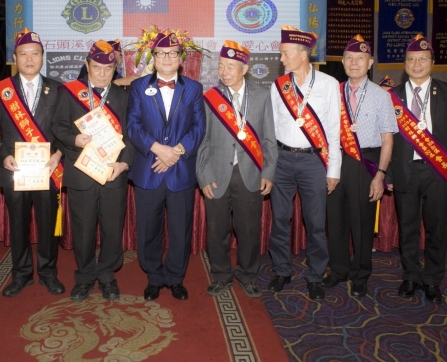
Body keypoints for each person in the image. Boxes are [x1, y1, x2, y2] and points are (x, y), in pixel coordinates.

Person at [0, 29, 65, 297]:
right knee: (17, 225)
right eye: (23, 54)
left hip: (47, 170)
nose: (29, 59)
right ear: (15, 57)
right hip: (14, 170)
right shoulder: (1, 89)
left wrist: (58, 154)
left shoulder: (58, 89)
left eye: (35, 54)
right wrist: (1, 155)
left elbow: (64, 129)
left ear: (43, 57)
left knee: (47, 225)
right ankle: (21, 275)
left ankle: (48, 273)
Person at [127, 30, 206, 301]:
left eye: (172, 53)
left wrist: (177, 151)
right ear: (153, 57)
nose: (167, 58)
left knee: (180, 229)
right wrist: (158, 149)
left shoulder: (193, 88)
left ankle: (175, 278)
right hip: (148, 169)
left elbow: (199, 127)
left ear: (181, 57)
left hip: (180, 170)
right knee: (148, 228)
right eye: (161, 54)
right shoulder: (138, 87)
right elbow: (133, 125)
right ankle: (154, 277)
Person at [52, 40, 133, 302]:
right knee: (83, 229)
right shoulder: (69, 92)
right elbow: (58, 126)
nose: (101, 73)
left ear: (115, 68)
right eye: (96, 67)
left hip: (112, 173)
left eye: (108, 68)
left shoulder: (124, 96)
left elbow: (131, 135)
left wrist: (124, 163)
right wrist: (73, 140)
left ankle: (107, 275)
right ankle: (85, 276)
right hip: (82, 173)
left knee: (112, 227)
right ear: (87, 66)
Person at [387, 34, 447, 304]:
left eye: (422, 59)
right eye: (411, 59)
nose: (417, 64)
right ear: (405, 64)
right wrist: (388, 173)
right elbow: (388, 139)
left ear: (432, 62)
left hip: (438, 172)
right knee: (407, 228)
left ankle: (432, 278)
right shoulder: (393, 96)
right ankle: (410, 276)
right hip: (405, 171)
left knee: (436, 228)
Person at [196, 41, 277, 298]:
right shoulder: (211, 98)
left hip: (250, 174)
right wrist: (204, 176)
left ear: (244, 69)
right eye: (221, 66)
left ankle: (248, 275)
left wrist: (268, 172)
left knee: (249, 230)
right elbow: (203, 141)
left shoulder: (262, 95)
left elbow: (269, 139)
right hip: (217, 175)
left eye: (231, 67)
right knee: (216, 230)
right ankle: (221, 275)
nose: (224, 71)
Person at [268, 26, 341, 301]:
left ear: (302, 54)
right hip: (282, 160)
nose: (282, 59)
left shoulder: (328, 84)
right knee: (280, 219)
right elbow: (272, 128)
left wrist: (333, 169)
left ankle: (315, 275)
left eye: (285, 54)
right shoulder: (279, 85)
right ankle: (282, 270)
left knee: (315, 222)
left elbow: (334, 130)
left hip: (314, 161)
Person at [323, 35, 396, 298]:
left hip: (366, 162)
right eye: (349, 58)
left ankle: (361, 273)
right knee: (335, 219)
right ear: (342, 62)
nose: (354, 63)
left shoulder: (381, 96)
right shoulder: (333, 92)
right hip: (336, 161)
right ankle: (339, 269)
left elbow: (388, 140)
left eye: (360, 59)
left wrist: (380, 175)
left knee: (362, 221)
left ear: (370, 62)